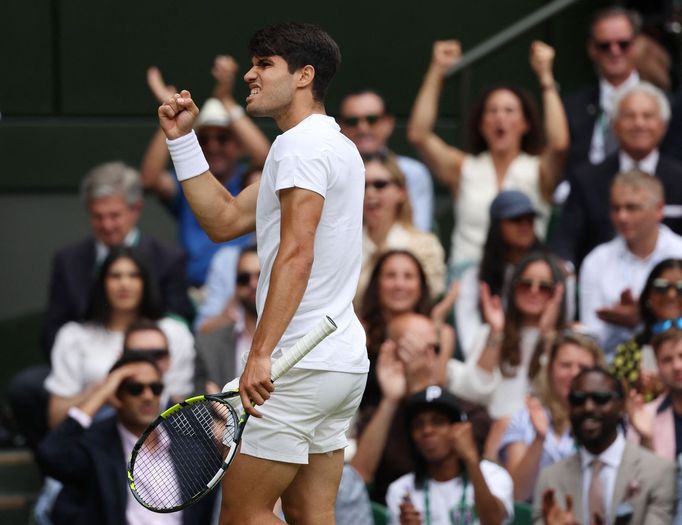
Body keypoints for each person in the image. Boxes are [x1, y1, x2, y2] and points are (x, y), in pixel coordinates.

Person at [156, 22, 368, 524]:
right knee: (309, 515)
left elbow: (298, 253)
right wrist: (183, 142)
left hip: (296, 364)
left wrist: (261, 354)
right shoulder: (326, 144)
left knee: (243, 515)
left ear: (304, 75)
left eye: (264, 64)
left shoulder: (301, 147)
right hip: (338, 365)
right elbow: (224, 219)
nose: (250, 74)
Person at [407, 39, 569, 275]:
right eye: (492, 111)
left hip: (524, 281)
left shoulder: (539, 170)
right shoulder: (464, 168)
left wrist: (546, 77)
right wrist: (437, 71)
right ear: (482, 125)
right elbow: (419, 135)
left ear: (525, 124)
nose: (500, 118)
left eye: (509, 111)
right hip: (466, 278)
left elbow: (559, 143)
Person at [36, 353, 213, 525]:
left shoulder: (191, 443)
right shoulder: (96, 446)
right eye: (135, 389)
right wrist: (100, 394)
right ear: (116, 395)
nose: (148, 396)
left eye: (155, 388)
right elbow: (51, 454)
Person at [141, 56, 270, 287]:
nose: (213, 146)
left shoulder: (248, 179)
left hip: (245, 287)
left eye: (223, 138)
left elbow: (265, 156)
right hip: (194, 293)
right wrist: (172, 122)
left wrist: (226, 99)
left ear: (239, 144)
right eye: (204, 139)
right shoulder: (187, 184)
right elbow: (150, 179)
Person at [42, 161, 193, 356]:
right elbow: (51, 331)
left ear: (136, 209)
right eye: (98, 216)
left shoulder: (168, 259)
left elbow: (180, 322)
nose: (106, 225)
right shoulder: (68, 260)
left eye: (114, 215)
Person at [45, 247, 194, 427]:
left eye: (134, 275)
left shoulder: (173, 332)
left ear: (146, 282)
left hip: (162, 441)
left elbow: (182, 405)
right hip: (93, 443)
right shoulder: (73, 335)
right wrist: (101, 391)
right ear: (102, 283)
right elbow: (56, 419)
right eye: (115, 276)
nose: (124, 284)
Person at [552, 81, 682, 267]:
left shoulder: (679, 178)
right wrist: (564, 270)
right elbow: (565, 241)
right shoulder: (586, 179)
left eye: (648, 116)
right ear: (614, 125)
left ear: (663, 125)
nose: (639, 124)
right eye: (630, 116)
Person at [533, 366, 675, 525]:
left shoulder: (658, 472)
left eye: (600, 398)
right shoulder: (550, 478)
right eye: (578, 399)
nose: (588, 407)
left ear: (622, 406)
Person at [456, 190, 575, 354]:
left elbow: (564, 320)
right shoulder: (475, 277)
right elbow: (469, 341)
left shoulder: (556, 270)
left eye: (529, 220)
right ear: (498, 225)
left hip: (544, 355)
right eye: (516, 220)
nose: (525, 226)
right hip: (491, 357)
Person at [579, 171, 682, 357]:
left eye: (632, 208)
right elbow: (591, 339)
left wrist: (643, 318)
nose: (622, 217)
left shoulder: (679, 253)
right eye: (616, 208)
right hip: (612, 368)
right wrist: (619, 324)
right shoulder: (596, 261)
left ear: (659, 210)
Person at [499, 330, 605, 501]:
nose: (574, 373)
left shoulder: (609, 423)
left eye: (583, 368)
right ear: (550, 369)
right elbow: (517, 494)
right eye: (565, 365)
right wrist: (539, 439)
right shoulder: (524, 418)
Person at [460, 251, 567, 421]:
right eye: (525, 284)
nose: (534, 291)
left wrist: (547, 336)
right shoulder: (490, 333)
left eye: (544, 287)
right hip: (492, 429)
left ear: (557, 293)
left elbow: (557, 396)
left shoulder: (567, 341)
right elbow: (474, 393)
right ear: (513, 287)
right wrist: (496, 333)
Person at [385, 386, 514, 525]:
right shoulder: (401, 489)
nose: (427, 431)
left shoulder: (493, 475)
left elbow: (494, 522)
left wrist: (471, 459)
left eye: (438, 422)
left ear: (459, 429)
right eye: (418, 424)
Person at [360, 250, 455, 409]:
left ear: (421, 286)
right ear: (377, 285)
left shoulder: (442, 332)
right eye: (391, 276)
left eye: (408, 276)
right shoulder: (360, 331)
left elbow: (438, 386)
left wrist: (435, 330)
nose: (399, 284)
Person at [339, 89, 434, 231]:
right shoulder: (333, 172)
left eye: (372, 119)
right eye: (352, 121)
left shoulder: (412, 172)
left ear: (389, 122)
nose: (362, 128)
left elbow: (418, 230)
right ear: (341, 126)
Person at [357, 153, 445, 304]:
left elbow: (429, 301)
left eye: (380, 184)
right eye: (363, 185)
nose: (370, 192)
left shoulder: (425, 246)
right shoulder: (343, 246)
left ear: (401, 192)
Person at [562, 7, 642, 171]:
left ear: (637, 45)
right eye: (604, 45)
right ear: (592, 49)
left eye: (623, 44)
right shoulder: (573, 107)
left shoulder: (666, 104)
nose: (615, 51)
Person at [611, 257, 682, 398]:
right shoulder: (630, 350)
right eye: (661, 287)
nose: (671, 295)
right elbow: (613, 396)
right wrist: (636, 388)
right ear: (648, 295)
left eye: (681, 288)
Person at [193, 246, 259, 394]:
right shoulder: (208, 345)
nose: (253, 284)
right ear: (235, 286)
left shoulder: (296, 335)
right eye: (244, 278)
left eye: (260, 276)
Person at [627, 327, 682, 461]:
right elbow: (637, 477)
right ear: (657, 367)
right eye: (667, 360)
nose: (677, 366)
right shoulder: (645, 416)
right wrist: (646, 440)